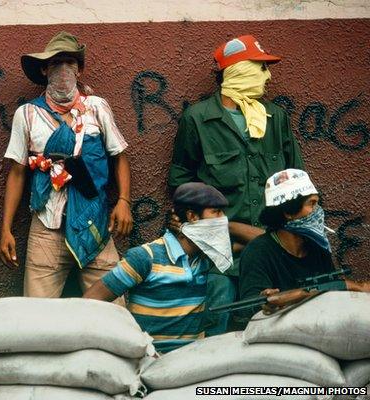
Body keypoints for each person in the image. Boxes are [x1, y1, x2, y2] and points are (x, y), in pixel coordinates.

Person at [168, 35, 305, 334]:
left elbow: (297, 178)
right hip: (221, 255)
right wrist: (195, 220)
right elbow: (180, 179)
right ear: (238, 71)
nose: (268, 76)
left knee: (275, 330)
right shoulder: (198, 119)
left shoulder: (275, 117)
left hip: (272, 250)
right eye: (260, 68)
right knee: (215, 327)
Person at [0, 31, 133, 298]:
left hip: (94, 224)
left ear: (79, 70)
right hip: (47, 228)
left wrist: (124, 201)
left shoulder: (96, 108)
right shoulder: (27, 114)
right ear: (44, 69)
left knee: (113, 313)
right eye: (56, 63)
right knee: (36, 317)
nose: (63, 70)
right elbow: (17, 172)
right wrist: (6, 229)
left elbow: (119, 157)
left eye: (70, 63)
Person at [84, 182, 232, 352]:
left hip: (192, 361)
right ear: (192, 217)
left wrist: (227, 228)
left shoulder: (207, 257)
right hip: (149, 359)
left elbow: (259, 242)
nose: (223, 219)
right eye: (217, 212)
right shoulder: (145, 257)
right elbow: (91, 300)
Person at [239, 169, 369, 315]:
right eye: (311, 204)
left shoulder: (317, 247)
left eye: (317, 204)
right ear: (288, 212)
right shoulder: (258, 252)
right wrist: (265, 302)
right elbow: (248, 307)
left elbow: (332, 293)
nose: (318, 211)